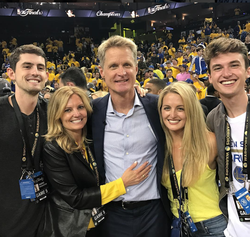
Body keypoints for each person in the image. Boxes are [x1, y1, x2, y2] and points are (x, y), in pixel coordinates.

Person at [39, 86, 151, 237]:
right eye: (67, 110)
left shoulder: (91, 139)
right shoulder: (53, 148)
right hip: (70, 229)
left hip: (99, 223)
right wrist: (122, 184)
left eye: (80, 107)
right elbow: (75, 198)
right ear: (57, 114)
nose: (76, 114)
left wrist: (130, 91)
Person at [89, 35, 172, 237]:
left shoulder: (156, 106)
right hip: (111, 214)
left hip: (154, 212)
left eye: (127, 64)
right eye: (113, 66)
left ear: (136, 68)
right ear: (101, 72)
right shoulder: (92, 112)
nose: (121, 72)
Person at [158, 81, 227, 237]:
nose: (172, 115)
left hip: (213, 226)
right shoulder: (160, 146)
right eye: (167, 108)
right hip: (178, 226)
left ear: (191, 110)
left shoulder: (210, 142)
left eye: (180, 109)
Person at [0, 44, 49, 236]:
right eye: (27, 66)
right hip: (6, 221)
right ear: (11, 73)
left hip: (44, 220)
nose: (35, 72)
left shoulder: (54, 111)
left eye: (40, 67)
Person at [205, 37, 250, 237]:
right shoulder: (213, 119)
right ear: (210, 77)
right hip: (232, 229)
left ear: (247, 71)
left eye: (234, 65)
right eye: (218, 68)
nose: (226, 74)